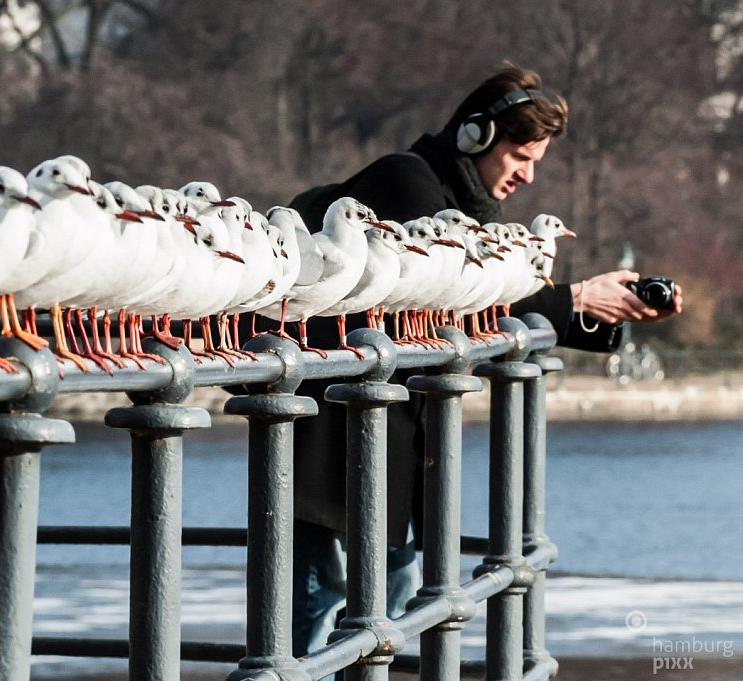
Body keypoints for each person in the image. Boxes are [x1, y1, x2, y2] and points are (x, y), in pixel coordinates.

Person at [285, 63, 683, 668]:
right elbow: (464, 294)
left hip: (387, 449)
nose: (528, 175)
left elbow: (487, 301)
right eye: (521, 156)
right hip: (335, 443)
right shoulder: (405, 182)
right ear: (475, 136)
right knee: (323, 607)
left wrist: (603, 309)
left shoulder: (460, 205)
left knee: (386, 608)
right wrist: (575, 296)